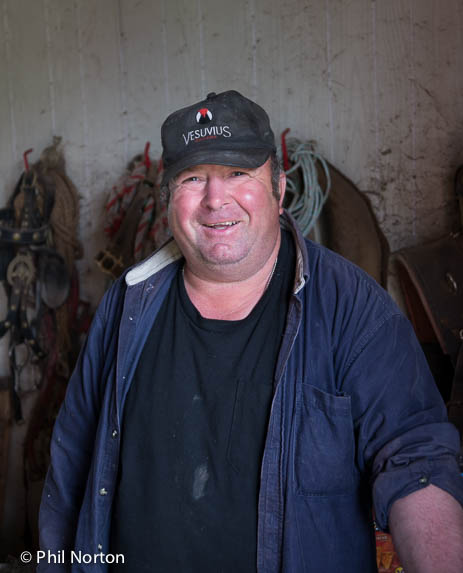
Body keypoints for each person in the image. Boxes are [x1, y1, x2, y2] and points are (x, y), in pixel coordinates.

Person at [39, 90, 463, 572]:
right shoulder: (127, 306)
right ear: (168, 199)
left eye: (238, 173)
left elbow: (416, 461)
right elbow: (71, 466)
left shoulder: (353, 308)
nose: (215, 199)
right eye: (193, 178)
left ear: (279, 189)